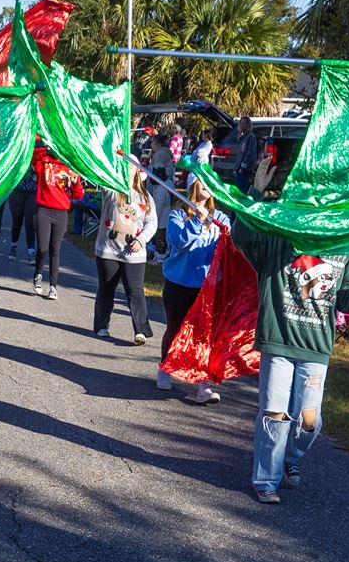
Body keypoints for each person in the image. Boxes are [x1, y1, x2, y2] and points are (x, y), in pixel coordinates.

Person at [234, 224, 349, 504]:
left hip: (315, 349)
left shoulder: (344, 250)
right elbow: (242, 237)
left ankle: (291, 457)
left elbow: (347, 301)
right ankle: (266, 481)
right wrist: (254, 188)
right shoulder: (281, 239)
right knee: (274, 415)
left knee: (309, 422)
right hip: (278, 341)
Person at [157, 179, 230, 404]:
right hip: (178, 283)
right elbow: (180, 243)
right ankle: (165, 368)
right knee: (176, 329)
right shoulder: (177, 216)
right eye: (201, 180)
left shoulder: (222, 218)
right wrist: (197, 221)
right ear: (192, 185)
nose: (206, 185)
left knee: (203, 335)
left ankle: (202, 384)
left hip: (207, 288)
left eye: (210, 180)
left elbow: (230, 247)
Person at [93, 171, 155, 343]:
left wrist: (141, 240)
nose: (127, 169)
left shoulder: (145, 197)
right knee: (106, 289)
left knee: (135, 292)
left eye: (131, 166)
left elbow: (152, 222)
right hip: (109, 251)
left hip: (133, 254)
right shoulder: (111, 189)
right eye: (124, 165)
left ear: (137, 172)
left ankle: (141, 330)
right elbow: (97, 174)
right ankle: (101, 325)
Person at [31, 145, 82, 300]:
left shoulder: (70, 165)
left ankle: (53, 286)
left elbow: (78, 195)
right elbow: (33, 155)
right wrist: (46, 146)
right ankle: (38, 273)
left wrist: (75, 182)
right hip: (44, 210)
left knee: (55, 249)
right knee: (43, 248)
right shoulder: (44, 161)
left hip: (61, 212)